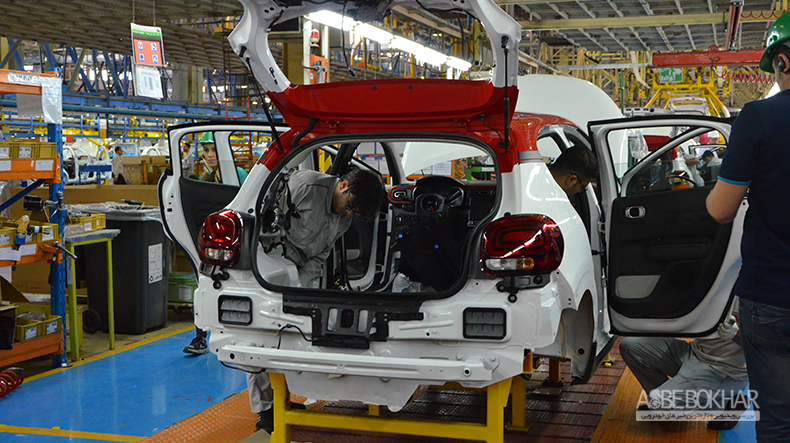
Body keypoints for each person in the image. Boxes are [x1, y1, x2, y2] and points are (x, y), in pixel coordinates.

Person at [705, 11, 790, 442]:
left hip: (772, 293)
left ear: (782, 60)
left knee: (777, 419)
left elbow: (721, 210)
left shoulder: (759, 118)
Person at [250, 167, 386, 433]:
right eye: (350, 206)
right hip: (273, 265)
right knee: (263, 337)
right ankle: (265, 410)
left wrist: (300, 284)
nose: (349, 214)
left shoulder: (344, 218)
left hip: (300, 274)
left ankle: (280, 400)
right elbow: (265, 224)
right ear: (343, 185)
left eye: (355, 212)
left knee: (290, 337)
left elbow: (322, 254)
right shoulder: (304, 186)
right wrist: (276, 273)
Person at [620, 299, 749, 430]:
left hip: (723, 371)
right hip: (694, 352)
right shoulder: (716, 287)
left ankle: (727, 404)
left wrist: (737, 334)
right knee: (631, 347)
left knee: (658, 404)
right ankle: (669, 403)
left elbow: (762, 346)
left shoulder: (755, 296)